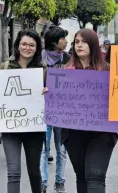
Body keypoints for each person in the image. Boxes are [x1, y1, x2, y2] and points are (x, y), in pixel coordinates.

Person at [0, 30, 45, 193]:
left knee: (34, 172)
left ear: (37, 48)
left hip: (34, 129)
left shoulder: (43, 68)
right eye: (24, 44)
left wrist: (48, 92)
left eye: (32, 45)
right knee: (13, 173)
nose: (27, 48)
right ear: (17, 46)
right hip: (11, 128)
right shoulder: (5, 66)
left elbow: (53, 98)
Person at [62, 28, 118, 193]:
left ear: (93, 44)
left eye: (84, 41)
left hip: (102, 133)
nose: (79, 45)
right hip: (74, 134)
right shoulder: (66, 71)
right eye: (76, 42)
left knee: (95, 176)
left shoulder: (108, 71)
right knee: (82, 177)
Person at [41, 25, 70, 193]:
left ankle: (60, 181)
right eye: (63, 38)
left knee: (61, 149)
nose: (66, 41)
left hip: (62, 112)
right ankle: (43, 183)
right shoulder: (39, 59)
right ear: (54, 42)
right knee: (43, 149)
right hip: (44, 111)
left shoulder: (68, 59)